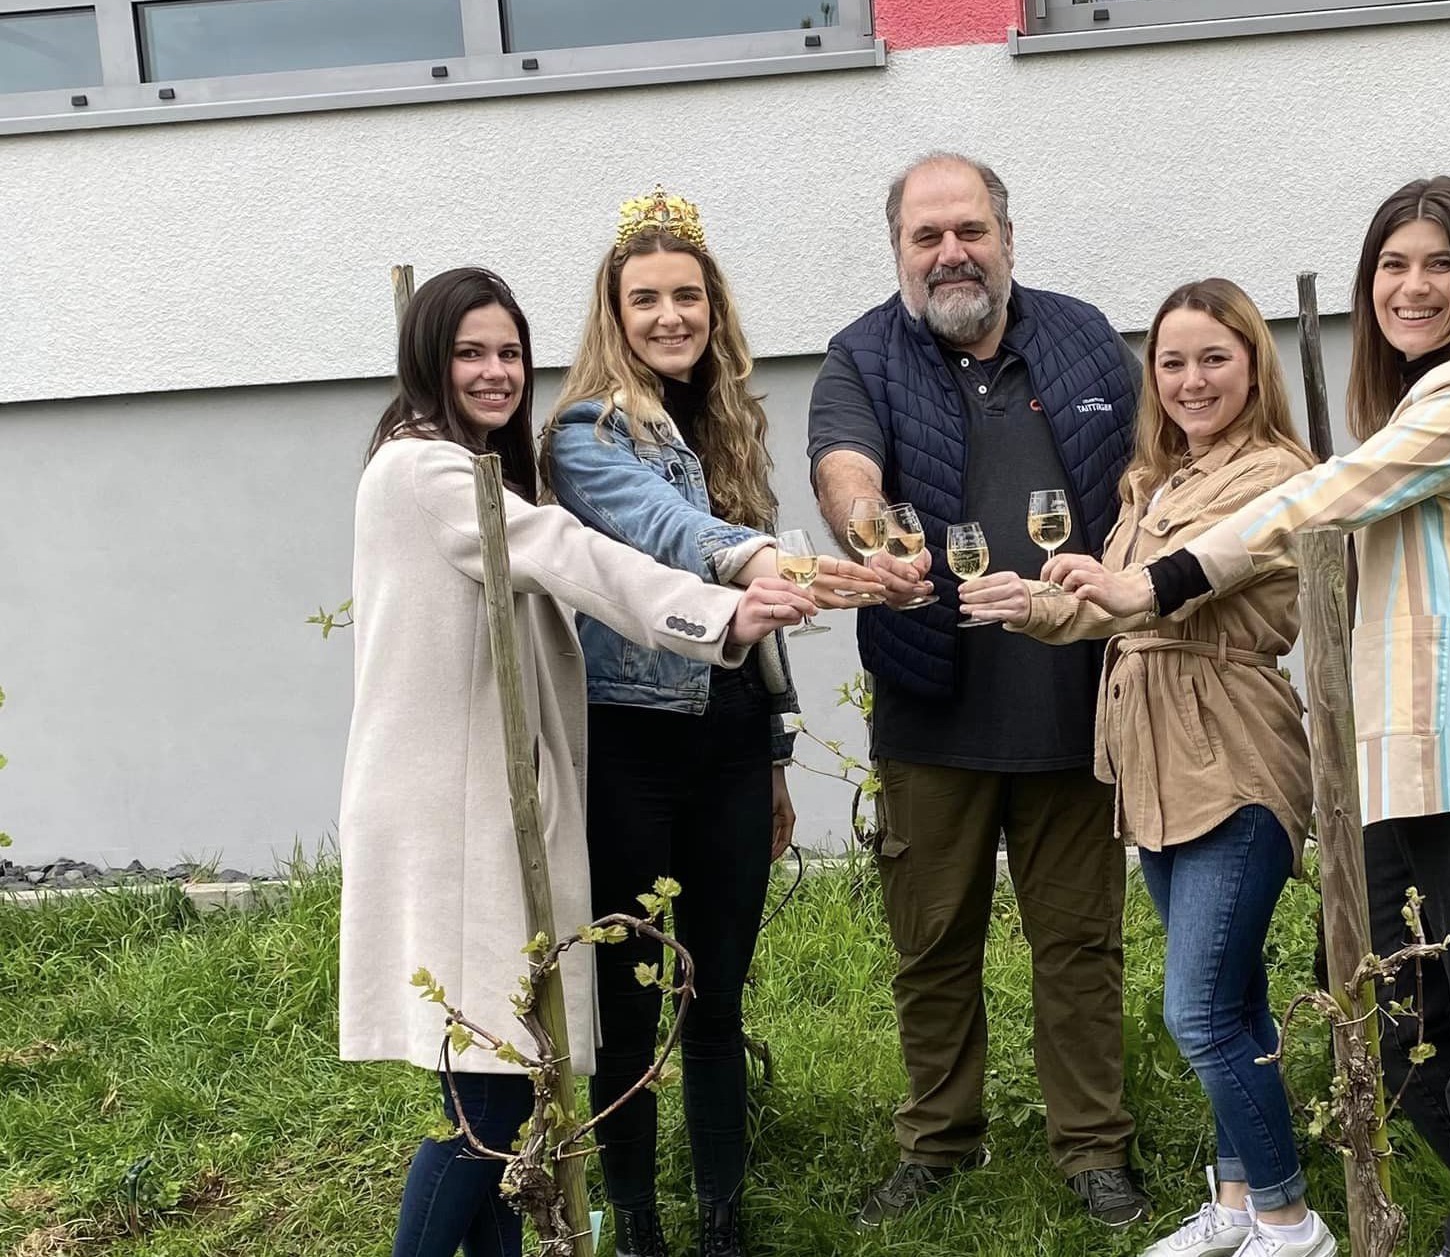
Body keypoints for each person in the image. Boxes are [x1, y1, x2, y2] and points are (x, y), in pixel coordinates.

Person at [1058, 178, 1450, 1257]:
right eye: (1391, 266)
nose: (1410, 286)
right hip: (1394, 753)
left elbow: (1318, 498)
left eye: (1437, 265)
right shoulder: (1417, 398)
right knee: (1380, 1001)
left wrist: (1161, 580)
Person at [336, 267, 814, 1257]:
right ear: (427, 359)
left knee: (497, 1089)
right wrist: (725, 607)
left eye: (508, 351)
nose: (496, 370)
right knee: (492, 1101)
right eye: (469, 351)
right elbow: (573, 553)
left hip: (480, 808)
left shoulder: (471, 469)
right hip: (455, 820)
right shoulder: (425, 471)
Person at [806, 152, 1151, 1229]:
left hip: (1070, 706)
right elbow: (843, 470)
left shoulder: (1087, 336)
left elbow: (1151, 471)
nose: (950, 251)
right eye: (926, 235)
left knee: (1080, 946)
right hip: (932, 706)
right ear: (900, 251)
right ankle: (938, 1140)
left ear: (1006, 234)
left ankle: (1093, 1148)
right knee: (932, 944)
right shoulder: (861, 354)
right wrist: (869, 529)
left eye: (968, 229)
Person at [959, 278, 1336, 1257]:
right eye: (1171, 360)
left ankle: (1290, 1218)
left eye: (1213, 356)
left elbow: (1173, 584)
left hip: (1230, 750)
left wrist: (1116, 588)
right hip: (1154, 760)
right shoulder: (1154, 481)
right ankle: (1235, 1203)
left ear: (1251, 362)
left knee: (1199, 1008)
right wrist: (1030, 601)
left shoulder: (1274, 473)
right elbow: (1110, 600)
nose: (1189, 378)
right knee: (1238, 997)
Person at [541, 188, 879, 1257]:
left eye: (686, 294)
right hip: (631, 748)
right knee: (635, 996)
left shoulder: (726, 424)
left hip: (730, 742)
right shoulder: (583, 434)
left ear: (712, 306)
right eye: (645, 298)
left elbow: (759, 633)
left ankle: (723, 1221)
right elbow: (665, 528)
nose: (668, 315)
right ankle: (638, 1221)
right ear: (614, 311)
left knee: (719, 994)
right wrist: (766, 557)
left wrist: (777, 759)